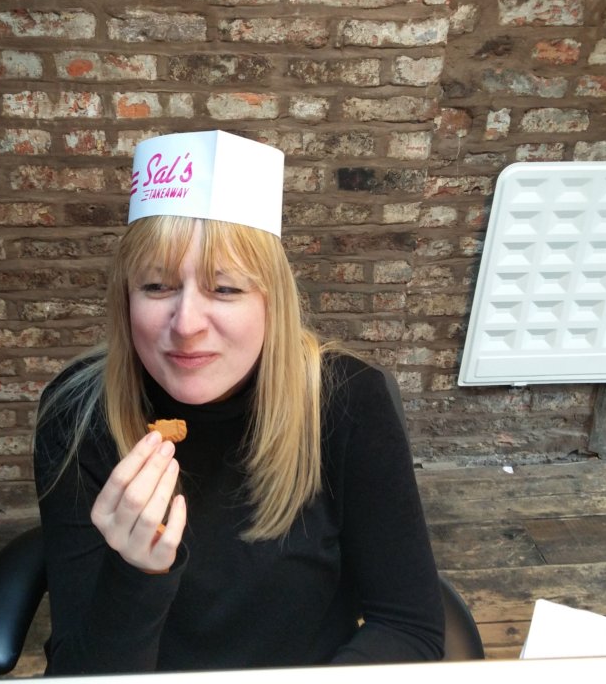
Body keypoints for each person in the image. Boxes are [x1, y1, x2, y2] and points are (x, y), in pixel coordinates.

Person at [34, 130, 445, 675]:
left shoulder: (346, 401)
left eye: (225, 289)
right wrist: (137, 573)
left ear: (271, 300)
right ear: (125, 297)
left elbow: (409, 628)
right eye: (156, 287)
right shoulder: (79, 413)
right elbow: (80, 670)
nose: (185, 325)